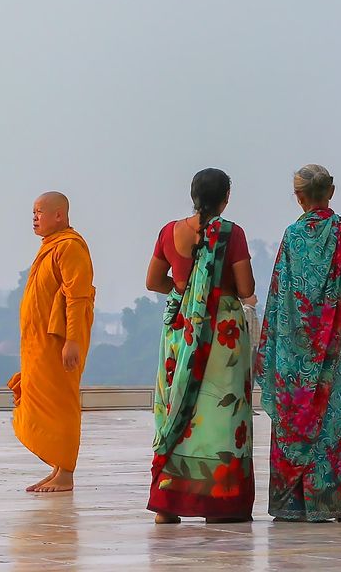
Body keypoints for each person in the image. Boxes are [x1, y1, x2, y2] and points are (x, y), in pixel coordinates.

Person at [257, 164, 341, 522]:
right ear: (331, 192)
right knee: (336, 423)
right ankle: (339, 502)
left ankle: (293, 504)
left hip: (294, 352)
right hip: (336, 351)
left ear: (299, 198)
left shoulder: (292, 236)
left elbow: (280, 296)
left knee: (296, 422)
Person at [145, 168, 256, 524]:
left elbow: (152, 281)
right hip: (221, 334)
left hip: (181, 332)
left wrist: (185, 290)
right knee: (222, 415)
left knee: (178, 406)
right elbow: (244, 286)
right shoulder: (231, 233)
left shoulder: (168, 231)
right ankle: (219, 503)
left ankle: (168, 502)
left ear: (192, 195)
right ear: (226, 197)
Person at [9, 191, 95, 494]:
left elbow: (77, 296)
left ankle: (66, 472)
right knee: (45, 400)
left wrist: (72, 340)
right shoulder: (50, 247)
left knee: (62, 403)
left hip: (59, 342)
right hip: (41, 344)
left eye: (40, 212)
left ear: (59, 215)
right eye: (33, 212)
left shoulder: (70, 247)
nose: (34, 218)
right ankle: (58, 467)